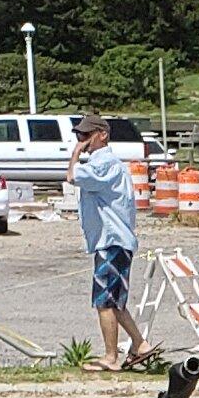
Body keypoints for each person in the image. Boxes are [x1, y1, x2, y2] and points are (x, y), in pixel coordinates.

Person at [73, 113, 147, 368]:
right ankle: (140, 343)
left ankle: (111, 357)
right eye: (78, 136)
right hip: (114, 241)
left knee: (104, 302)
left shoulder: (104, 162)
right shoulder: (107, 163)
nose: (82, 141)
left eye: (86, 135)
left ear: (102, 134)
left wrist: (75, 154)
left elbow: (73, 176)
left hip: (112, 240)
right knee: (115, 302)